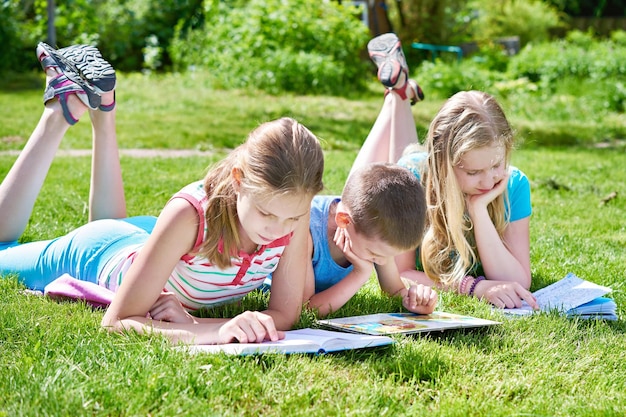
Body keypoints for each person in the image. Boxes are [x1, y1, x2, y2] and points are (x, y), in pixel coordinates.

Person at [0, 43, 325, 345]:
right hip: (98, 253)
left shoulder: (291, 212)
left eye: (293, 217)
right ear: (239, 181)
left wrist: (211, 323)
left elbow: (284, 314)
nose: (278, 229)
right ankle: (58, 113)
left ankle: (103, 109)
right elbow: (118, 321)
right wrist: (211, 330)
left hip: (146, 240)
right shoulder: (191, 214)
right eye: (266, 214)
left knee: (117, 227)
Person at [355, 33, 539, 310]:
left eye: (496, 165)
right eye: (474, 172)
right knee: (370, 183)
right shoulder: (414, 180)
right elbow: (400, 275)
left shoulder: (512, 183)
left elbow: (518, 280)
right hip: (409, 173)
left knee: (405, 158)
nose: (489, 180)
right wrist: (472, 286)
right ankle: (397, 95)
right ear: (444, 164)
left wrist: (479, 211)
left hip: (422, 164)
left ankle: (401, 90)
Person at [263, 33, 438, 317]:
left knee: (374, 182)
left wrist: (413, 297)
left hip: (355, 214)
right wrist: (359, 273)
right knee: (364, 187)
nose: (383, 262)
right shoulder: (306, 233)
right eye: (377, 256)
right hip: (334, 219)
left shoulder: (373, 236)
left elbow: (393, 288)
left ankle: (398, 93)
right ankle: (399, 93)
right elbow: (304, 310)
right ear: (344, 221)